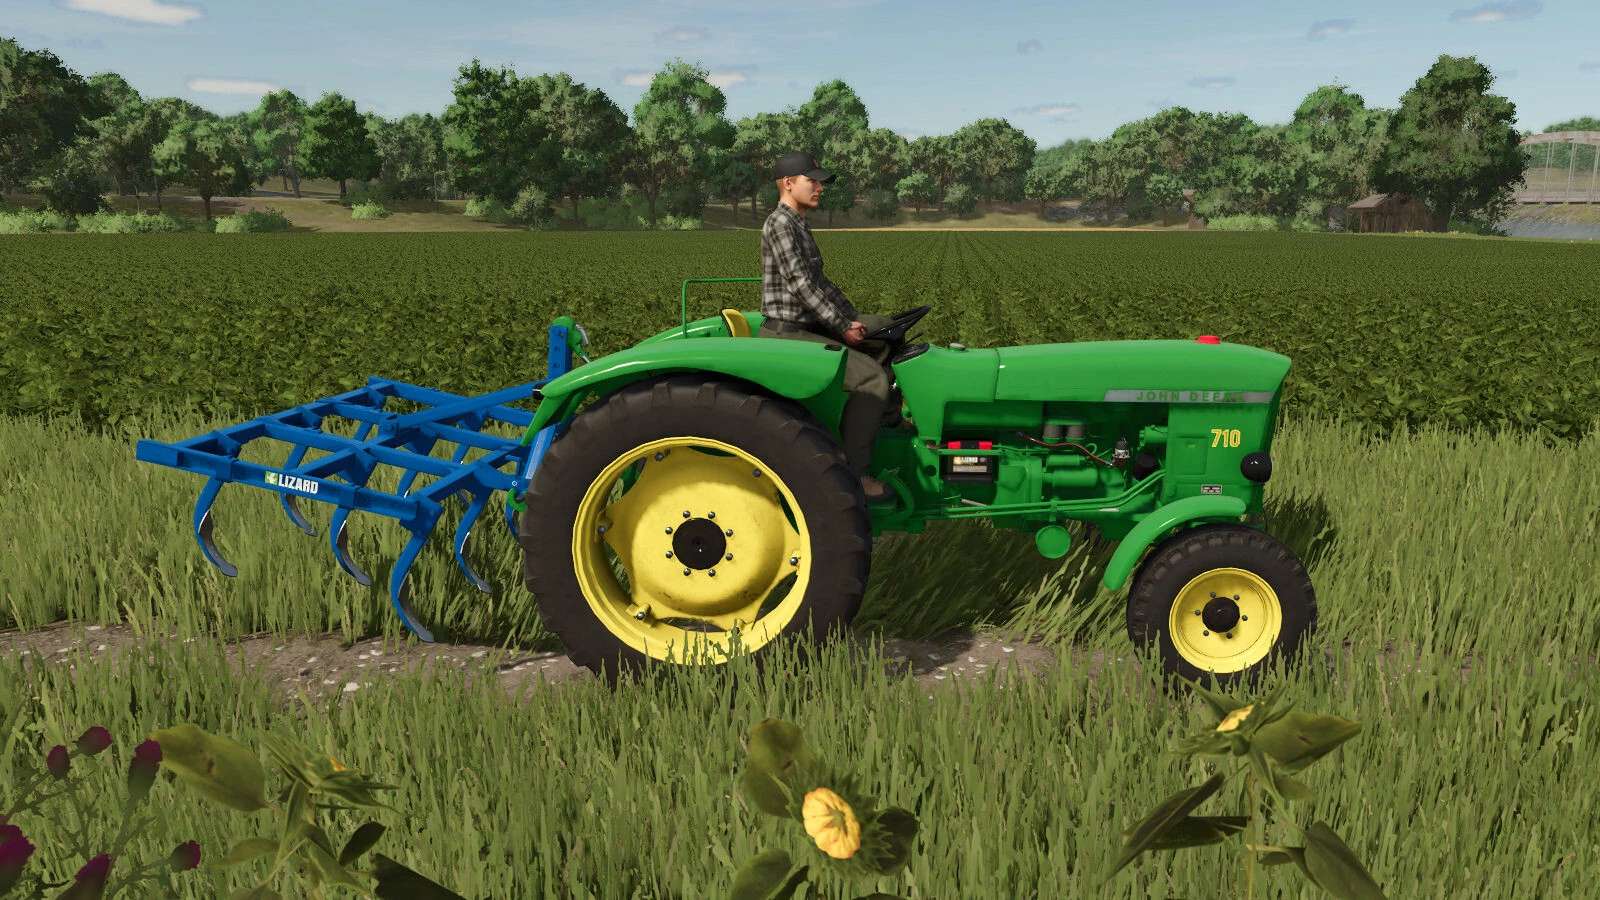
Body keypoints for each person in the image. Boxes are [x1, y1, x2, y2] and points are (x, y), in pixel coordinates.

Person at [759, 151, 895, 505]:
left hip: (807, 324)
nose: (820, 188)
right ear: (788, 184)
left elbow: (821, 283)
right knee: (871, 378)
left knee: (885, 332)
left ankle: (885, 422)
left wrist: (853, 317)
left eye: (821, 183)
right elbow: (802, 285)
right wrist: (841, 325)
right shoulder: (780, 224)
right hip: (787, 332)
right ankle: (856, 475)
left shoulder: (798, 223)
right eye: (813, 182)